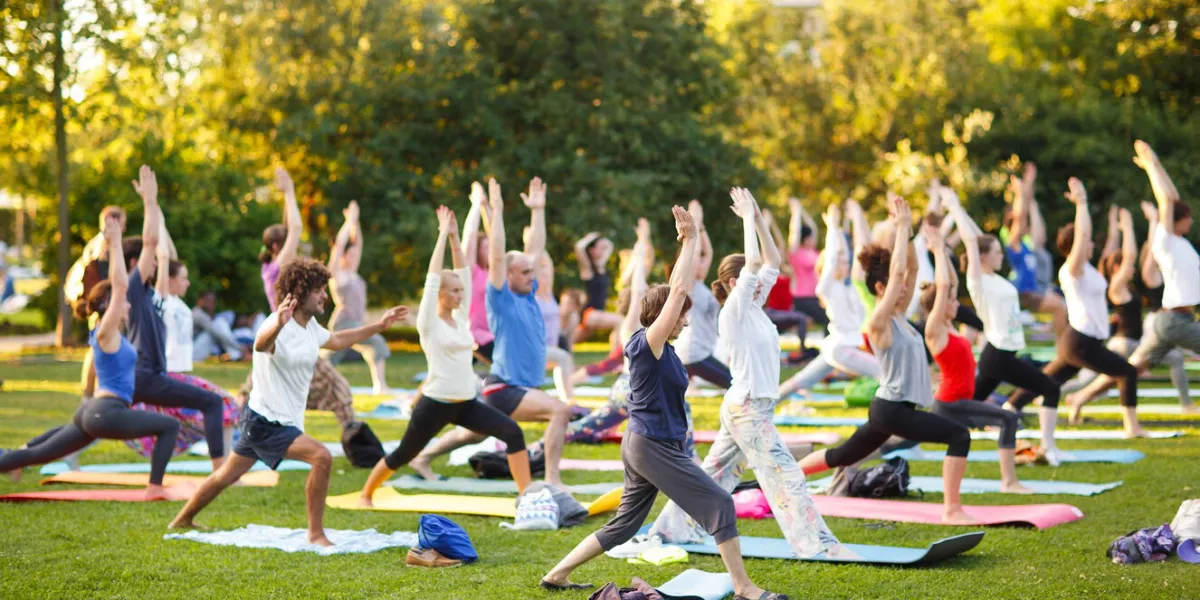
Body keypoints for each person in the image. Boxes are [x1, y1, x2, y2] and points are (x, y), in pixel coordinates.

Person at [540, 204, 786, 600]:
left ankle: (557, 573)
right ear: (662, 317)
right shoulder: (646, 345)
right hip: (651, 445)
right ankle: (744, 587)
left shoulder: (665, 350)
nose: (685, 321)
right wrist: (689, 242)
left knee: (623, 525)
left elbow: (676, 297)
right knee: (720, 503)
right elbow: (678, 291)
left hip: (652, 443)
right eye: (680, 316)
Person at [646, 187, 849, 561]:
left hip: (749, 407)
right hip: (748, 409)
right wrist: (744, 222)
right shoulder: (735, 311)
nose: (762, 284)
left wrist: (756, 219)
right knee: (785, 477)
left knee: (712, 478)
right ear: (737, 284)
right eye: (751, 281)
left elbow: (769, 259)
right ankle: (817, 545)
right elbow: (755, 265)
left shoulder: (754, 307)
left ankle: (668, 529)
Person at [168, 257, 407, 544]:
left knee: (225, 476)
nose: (324, 296)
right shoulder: (276, 324)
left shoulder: (310, 326)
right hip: (268, 421)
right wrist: (278, 325)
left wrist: (379, 326)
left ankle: (182, 519)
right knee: (322, 457)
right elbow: (261, 344)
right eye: (319, 289)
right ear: (300, 291)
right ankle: (316, 534)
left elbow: (339, 339)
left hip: (265, 418)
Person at [798, 193, 976, 525]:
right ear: (880, 288)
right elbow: (898, 277)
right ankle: (952, 509)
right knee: (958, 435)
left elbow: (907, 268)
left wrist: (910, 237)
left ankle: (785, 478)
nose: (905, 289)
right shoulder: (878, 322)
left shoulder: (900, 318)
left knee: (843, 455)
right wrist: (902, 225)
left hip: (891, 408)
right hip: (893, 408)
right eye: (895, 286)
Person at [0, 212, 181, 498]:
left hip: (94, 412)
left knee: (35, 456)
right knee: (170, 426)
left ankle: (9, 459)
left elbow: (132, 280)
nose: (128, 307)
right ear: (110, 305)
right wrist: (117, 242)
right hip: (105, 412)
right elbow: (121, 286)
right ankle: (155, 488)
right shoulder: (105, 331)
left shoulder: (115, 334)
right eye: (121, 303)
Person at [358, 206, 530, 505]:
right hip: (435, 403)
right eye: (453, 292)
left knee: (512, 433)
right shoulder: (429, 322)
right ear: (440, 294)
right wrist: (441, 237)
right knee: (403, 454)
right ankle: (366, 494)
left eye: (461, 292)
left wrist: (454, 237)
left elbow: (462, 269)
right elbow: (433, 278)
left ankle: (525, 495)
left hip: (465, 403)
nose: (460, 296)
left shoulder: (460, 317)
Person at [408, 178, 571, 486]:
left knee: (474, 433)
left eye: (531, 272)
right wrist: (494, 211)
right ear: (507, 275)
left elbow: (534, 249)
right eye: (524, 272)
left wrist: (538, 211)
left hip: (511, 388)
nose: (531, 275)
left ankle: (423, 457)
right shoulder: (501, 298)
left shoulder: (527, 291)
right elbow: (496, 257)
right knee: (560, 411)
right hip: (505, 387)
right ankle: (552, 480)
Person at [1064, 141, 1200, 419]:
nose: (1192, 222)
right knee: (1130, 367)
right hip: (1175, 321)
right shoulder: (1166, 240)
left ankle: (1079, 397)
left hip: (1168, 321)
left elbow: (1171, 196)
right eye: (1189, 218)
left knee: (1130, 369)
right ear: (1178, 220)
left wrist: (1156, 164)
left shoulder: (1180, 242)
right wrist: (1151, 163)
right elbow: (1167, 200)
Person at [1006, 179, 1143, 438]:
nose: (1091, 243)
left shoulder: (1088, 269)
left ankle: (1009, 406)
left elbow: (1101, 242)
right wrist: (1081, 203)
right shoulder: (1072, 269)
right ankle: (1132, 428)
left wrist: (1121, 228)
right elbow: (1083, 236)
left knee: (1044, 381)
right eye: (1086, 242)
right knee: (1126, 372)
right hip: (1081, 341)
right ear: (1076, 246)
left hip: (1080, 341)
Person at [941, 188, 1066, 463]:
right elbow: (972, 240)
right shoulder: (978, 281)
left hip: (1000, 355)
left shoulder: (995, 277)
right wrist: (954, 206)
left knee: (965, 410)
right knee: (1050, 387)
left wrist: (959, 210)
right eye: (996, 252)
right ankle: (1049, 447)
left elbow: (979, 238)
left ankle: (933, 424)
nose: (1001, 255)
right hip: (998, 354)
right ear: (983, 257)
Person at [118, 166, 227, 471]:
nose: (154, 264)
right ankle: (221, 470)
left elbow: (161, 251)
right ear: (134, 264)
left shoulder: (151, 293)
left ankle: (23, 454)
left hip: (146, 376)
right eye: (148, 262)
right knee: (213, 402)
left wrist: (155, 208)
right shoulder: (134, 288)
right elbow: (151, 243)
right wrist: (149, 202)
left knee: (91, 424)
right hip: (146, 376)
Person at [238, 168, 356, 427]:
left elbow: (288, 228)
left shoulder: (273, 268)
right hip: (289, 335)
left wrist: (285, 198)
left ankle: (239, 424)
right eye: (290, 243)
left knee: (253, 389)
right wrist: (290, 191)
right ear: (277, 248)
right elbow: (295, 226)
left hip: (282, 335)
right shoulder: (278, 268)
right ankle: (357, 442)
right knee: (340, 391)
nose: (298, 246)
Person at [920, 223, 1030, 493]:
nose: (958, 304)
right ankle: (1009, 482)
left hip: (961, 402)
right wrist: (937, 250)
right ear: (940, 305)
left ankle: (857, 456)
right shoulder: (935, 329)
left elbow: (951, 284)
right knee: (1007, 418)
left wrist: (944, 252)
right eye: (952, 300)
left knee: (898, 440)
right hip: (950, 404)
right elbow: (945, 284)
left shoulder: (950, 328)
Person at [779, 202, 879, 398]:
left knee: (799, 381)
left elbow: (846, 254)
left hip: (837, 346)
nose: (845, 265)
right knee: (885, 373)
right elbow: (832, 257)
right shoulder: (827, 287)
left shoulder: (847, 286)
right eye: (840, 263)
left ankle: (760, 408)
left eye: (845, 262)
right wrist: (832, 228)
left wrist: (840, 228)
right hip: (841, 348)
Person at [323, 200, 392, 395]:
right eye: (350, 255)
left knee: (374, 346)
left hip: (357, 323)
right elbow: (338, 246)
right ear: (343, 257)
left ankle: (380, 385)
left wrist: (355, 222)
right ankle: (379, 386)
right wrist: (348, 222)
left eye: (355, 255)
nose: (354, 258)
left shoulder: (353, 273)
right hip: (344, 324)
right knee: (332, 358)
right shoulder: (338, 273)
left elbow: (358, 244)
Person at [1001, 164, 1068, 344]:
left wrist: (1029, 184)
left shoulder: (1026, 245)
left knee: (1061, 308)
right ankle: (1059, 345)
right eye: (1021, 225)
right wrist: (1020, 193)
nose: (1025, 226)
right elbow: (1020, 215)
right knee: (1060, 308)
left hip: (1032, 292)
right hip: (1023, 293)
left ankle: (1058, 343)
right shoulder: (1013, 243)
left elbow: (1028, 215)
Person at [672, 200, 733, 389]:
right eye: (696, 260)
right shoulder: (687, 285)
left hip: (699, 352)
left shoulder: (698, 285)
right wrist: (695, 222)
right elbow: (697, 250)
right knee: (736, 384)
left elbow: (708, 253)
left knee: (736, 383)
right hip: (693, 354)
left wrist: (702, 226)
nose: (702, 262)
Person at [788, 197, 827, 356]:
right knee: (828, 319)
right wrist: (796, 214)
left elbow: (813, 228)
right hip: (803, 298)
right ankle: (821, 353)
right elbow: (794, 232)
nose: (813, 239)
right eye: (810, 237)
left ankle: (824, 351)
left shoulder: (813, 252)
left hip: (815, 297)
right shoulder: (796, 253)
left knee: (829, 319)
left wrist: (802, 210)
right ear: (804, 239)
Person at [569, 231, 622, 345]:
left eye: (603, 249)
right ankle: (614, 359)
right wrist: (591, 238)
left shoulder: (600, 266)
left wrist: (601, 239)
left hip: (597, 313)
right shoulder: (587, 269)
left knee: (568, 343)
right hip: (589, 313)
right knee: (620, 321)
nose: (603, 251)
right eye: (600, 248)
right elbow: (579, 247)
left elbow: (610, 246)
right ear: (591, 250)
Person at [191, 290, 249, 362]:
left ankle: (237, 355)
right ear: (200, 301)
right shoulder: (198, 314)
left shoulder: (204, 314)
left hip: (194, 351)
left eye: (213, 301)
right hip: (192, 354)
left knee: (218, 324)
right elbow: (218, 334)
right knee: (218, 325)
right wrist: (240, 347)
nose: (211, 303)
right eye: (208, 300)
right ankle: (238, 355)